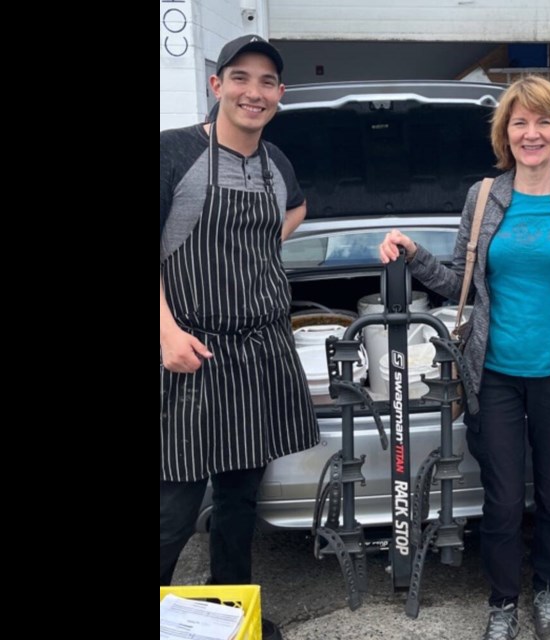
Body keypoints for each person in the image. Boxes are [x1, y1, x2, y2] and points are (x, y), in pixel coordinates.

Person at [379, 76, 550, 640]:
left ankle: (547, 593)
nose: (531, 132)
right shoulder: (484, 198)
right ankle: (503, 603)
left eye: (543, 121)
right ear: (506, 133)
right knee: (502, 500)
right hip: (494, 375)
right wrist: (412, 251)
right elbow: (460, 281)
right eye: (520, 122)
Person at [160, 35, 318, 635]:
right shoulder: (174, 154)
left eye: (267, 81)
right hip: (190, 355)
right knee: (173, 512)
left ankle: (225, 614)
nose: (254, 92)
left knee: (238, 506)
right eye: (241, 78)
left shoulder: (276, 162)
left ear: (280, 94)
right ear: (216, 85)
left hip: (257, 354)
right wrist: (167, 332)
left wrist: (254, 248)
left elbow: (296, 209)